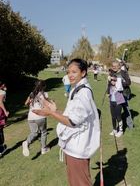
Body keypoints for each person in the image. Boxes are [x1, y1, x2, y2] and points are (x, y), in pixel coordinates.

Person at [33, 58, 100, 186]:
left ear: (84, 72)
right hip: (74, 146)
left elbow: (72, 122)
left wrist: (51, 113)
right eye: (68, 72)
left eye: (74, 72)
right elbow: (74, 115)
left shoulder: (83, 92)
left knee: (80, 183)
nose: (70, 75)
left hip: (78, 148)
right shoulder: (78, 88)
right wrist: (56, 110)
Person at [22, 80, 52, 156]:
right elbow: (47, 105)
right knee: (43, 132)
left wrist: (31, 102)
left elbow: (25, 103)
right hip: (40, 116)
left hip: (31, 117)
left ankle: (27, 142)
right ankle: (43, 149)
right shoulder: (44, 94)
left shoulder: (31, 94)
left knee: (34, 133)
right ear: (43, 86)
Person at [111, 60, 134, 129]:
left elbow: (129, 82)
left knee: (126, 109)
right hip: (116, 93)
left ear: (119, 66)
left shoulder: (123, 73)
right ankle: (118, 127)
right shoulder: (113, 73)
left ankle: (130, 125)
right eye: (113, 66)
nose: (114, 67)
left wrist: (119, 82)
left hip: (123, 93)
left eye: (115, 66)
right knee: (117, 111)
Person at [0, 82, 9, 156]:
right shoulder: (2, 92)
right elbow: (0, 102)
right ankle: (1, 148)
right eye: (3, 84)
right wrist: (5, 111)